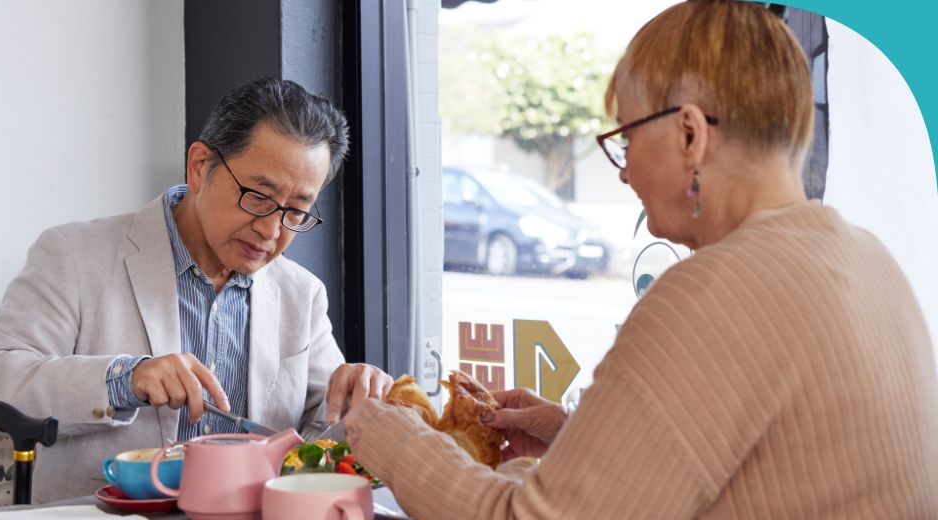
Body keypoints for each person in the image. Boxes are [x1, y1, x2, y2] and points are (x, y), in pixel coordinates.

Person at [345, 1, 938, 518]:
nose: (625, 171)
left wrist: (399, 444)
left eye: (626, 139)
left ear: (689, 136)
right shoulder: (866, 258)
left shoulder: (714, 291)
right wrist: (579, 439)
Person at [0, 78, 392, 502]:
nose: (271, 230)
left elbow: (321, 439)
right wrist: (125, 378)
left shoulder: (302, 294)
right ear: (200, 166)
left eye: (296, 211)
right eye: (259, 196)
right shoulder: (74, 255)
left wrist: (361, 403)